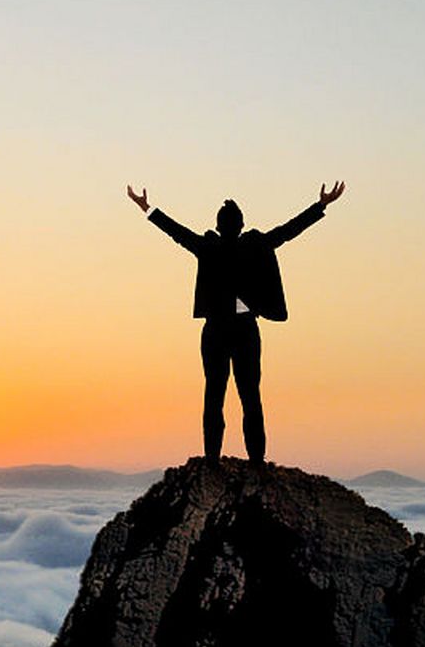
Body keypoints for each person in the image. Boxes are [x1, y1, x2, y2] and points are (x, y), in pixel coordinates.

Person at [126, 180, 345, 462]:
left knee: (215, 394)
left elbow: (176, 233)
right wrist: (321, 205)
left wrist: (147, 209)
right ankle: (255, 461)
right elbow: (288, 231)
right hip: (243, 329)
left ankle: (213, 460)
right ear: (241, 225)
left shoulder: (209, 247)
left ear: (219, 226)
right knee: (249, 395)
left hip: (217, 330)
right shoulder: (254, 246)